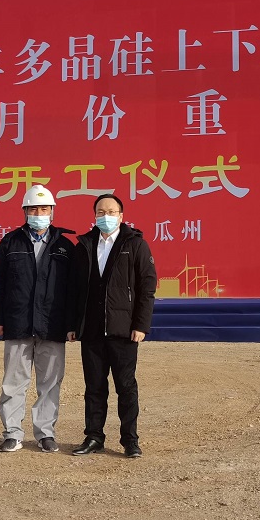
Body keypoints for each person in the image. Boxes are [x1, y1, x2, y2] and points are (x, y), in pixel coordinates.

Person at [0, 185, 77, 453]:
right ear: (25, 212)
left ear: (52, 211)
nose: (39, 214)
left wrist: (71, 324)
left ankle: (45, 433)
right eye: (33, 209)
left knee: (50, 383)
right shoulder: (10, 242)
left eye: (44, 209)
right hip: (18, 323)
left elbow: (73, 290)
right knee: (14, 382)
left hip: (52, 324)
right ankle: (12, 433)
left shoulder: (64, 246)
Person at [69, 194, 157, 458]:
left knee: (126, 387)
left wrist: (141, 325)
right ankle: (94, 437)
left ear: (121, 216)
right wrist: (73, 324)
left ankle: (130, 441)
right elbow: (74, 290)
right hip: (92, 330)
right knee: (94, 387)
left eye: (111, 212)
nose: (105, 216)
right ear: (94, 216)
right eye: (100, 212)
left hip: (124, 330)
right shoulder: (84, 245)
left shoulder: (135, 244)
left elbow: (147, 288)